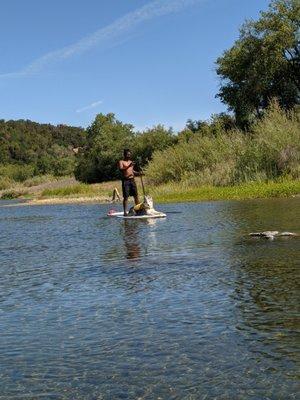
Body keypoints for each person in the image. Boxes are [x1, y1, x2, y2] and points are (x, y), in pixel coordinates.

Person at [118, 149, 140, 215]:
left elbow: (132, 171)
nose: (129, 156)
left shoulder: (131, 162)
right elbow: (121, 169)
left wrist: (139, 173)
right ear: (124, 155)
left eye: (130, 154)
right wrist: (129, 166)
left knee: (136, 195)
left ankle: (138, 210)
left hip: (132, 180)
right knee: (126, 197)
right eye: (128, 154)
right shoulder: (121, 162)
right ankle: (125, 212)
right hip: (126, 181)